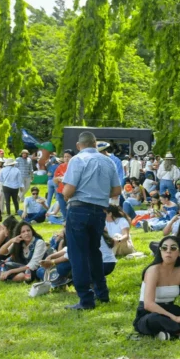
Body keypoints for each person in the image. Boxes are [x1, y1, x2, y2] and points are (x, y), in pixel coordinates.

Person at [60, 130, 122, 310]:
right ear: (95, 144)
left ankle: (86, 300)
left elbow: (68, 191)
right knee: (94, 252)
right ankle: (102, 293)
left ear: (78, 146)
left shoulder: (77, 159)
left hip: (79, 208)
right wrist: (98, 194)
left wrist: (65, 193)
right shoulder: (108, 161)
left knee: (78, 254)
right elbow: (116, 190)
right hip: (99, 211)